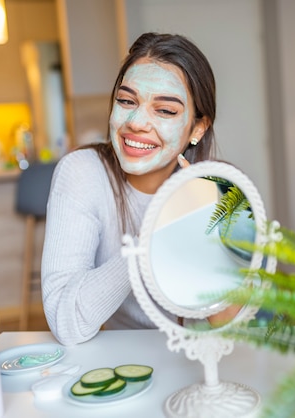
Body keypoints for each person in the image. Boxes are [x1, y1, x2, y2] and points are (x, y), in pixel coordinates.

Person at [41, 32, 217, 345]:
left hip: (206, 364)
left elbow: (233, 325)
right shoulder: (83, 173)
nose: (136, 122)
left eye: (165, 110)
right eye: (126, 101)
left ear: (198, 127)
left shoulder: (221, 191)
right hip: (128, 361)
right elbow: (65, 323)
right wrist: (154, 232)